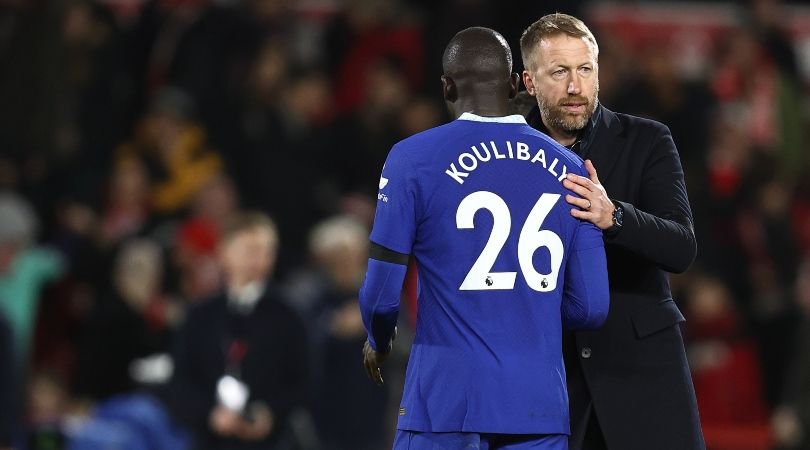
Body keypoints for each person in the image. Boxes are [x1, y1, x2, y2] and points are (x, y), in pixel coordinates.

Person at [359, 27, 610, 450]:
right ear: (515, 85)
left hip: (444, 402)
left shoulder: (412, 158)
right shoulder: (571, 167)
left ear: (447, 86)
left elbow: (381, 295)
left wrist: (378, 341)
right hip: (538, 407)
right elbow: (592, 306)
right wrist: (529, 312)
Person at [517, 13, 703, 450]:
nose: (575, 87)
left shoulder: (647, 140)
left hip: (643, 376)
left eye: (585, 70)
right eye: (559, 72)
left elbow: (681, 246)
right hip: (549, 380)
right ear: (529, 81)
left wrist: (613, 215)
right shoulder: (507, 154)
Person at [168, 212, 309, 450]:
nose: (258, 260)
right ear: (224, 252)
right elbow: (180, 380)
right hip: (210, 441)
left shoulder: (289, 314)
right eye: (249, 250)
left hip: (272, 442)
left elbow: (305, 380)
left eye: (266, 251)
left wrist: (270, 412)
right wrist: (210, 414)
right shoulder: (200, 315)